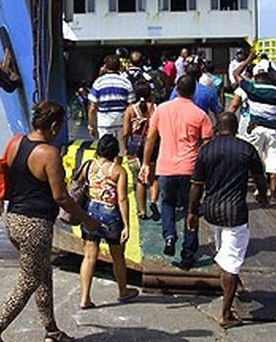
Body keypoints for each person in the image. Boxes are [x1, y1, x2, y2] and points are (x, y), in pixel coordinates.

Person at [0, 101, 100, 342]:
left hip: (14, 220)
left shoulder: (15, 142)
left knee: (43, 275)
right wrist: (86, 219)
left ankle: (52, 331)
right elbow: (61, 197)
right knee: (28, 281)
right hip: (35, 226)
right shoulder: (49, 154)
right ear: (55, 126)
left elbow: (4, 171)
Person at [188, 112, 268, 328]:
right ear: (235, 129)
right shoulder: (246, 149)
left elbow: (196, 185)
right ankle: (226, 314)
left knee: (224, 251)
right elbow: (260, 178)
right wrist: (263, 196)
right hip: (235, 213)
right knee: (231, 263)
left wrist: (192, 213)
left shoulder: (206, 150)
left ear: (216, 129)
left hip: (211, 211)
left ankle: (235, 284)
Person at [139, 74, 214, 270]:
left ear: (176, 89)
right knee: (192, 210)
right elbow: (207, 146)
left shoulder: (162, 109)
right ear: (193, 92)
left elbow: (151, 139)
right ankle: (188, 253)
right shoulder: (200, 115)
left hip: (166, 167)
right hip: (190, 169)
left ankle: (170, 237)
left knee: (168, 204)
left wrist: (146, 163)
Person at [79, 135, 140, 309]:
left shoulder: (88, 166)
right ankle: (123, 291)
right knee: (117, 257)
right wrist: (127, 225)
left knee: (89, 256)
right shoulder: (118, 170)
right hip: (110, 214)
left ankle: (85, 298)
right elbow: (122, 199)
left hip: (91, 211)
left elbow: (80, 186)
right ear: (114, 151)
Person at [227, 60, 276, 203]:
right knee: (274, 164)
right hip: (274, 131)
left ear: (256, 76)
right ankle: (274, 195)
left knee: (253, 163)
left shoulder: (251, 88)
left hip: (255, 130)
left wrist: (249, 59)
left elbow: (235, 73)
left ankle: (259, 191)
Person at [123, 80, 159, 220]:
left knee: (140, 179)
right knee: (154, 177)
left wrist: (126, 148)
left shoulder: (131, 110)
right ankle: (154, 201)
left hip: (135, 145)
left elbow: (126, 132)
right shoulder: (156, 108)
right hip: (153, 144)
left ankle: (142, 211)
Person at [88, 55, 135, 146]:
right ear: (119, 66)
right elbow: (131, 106)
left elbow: (93, 107)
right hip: (121, 122)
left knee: (105, 149)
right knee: (120, 150)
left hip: (104, 123)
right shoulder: (126, 82)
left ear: (105, 67)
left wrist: (91, 125)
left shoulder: (98, 83)